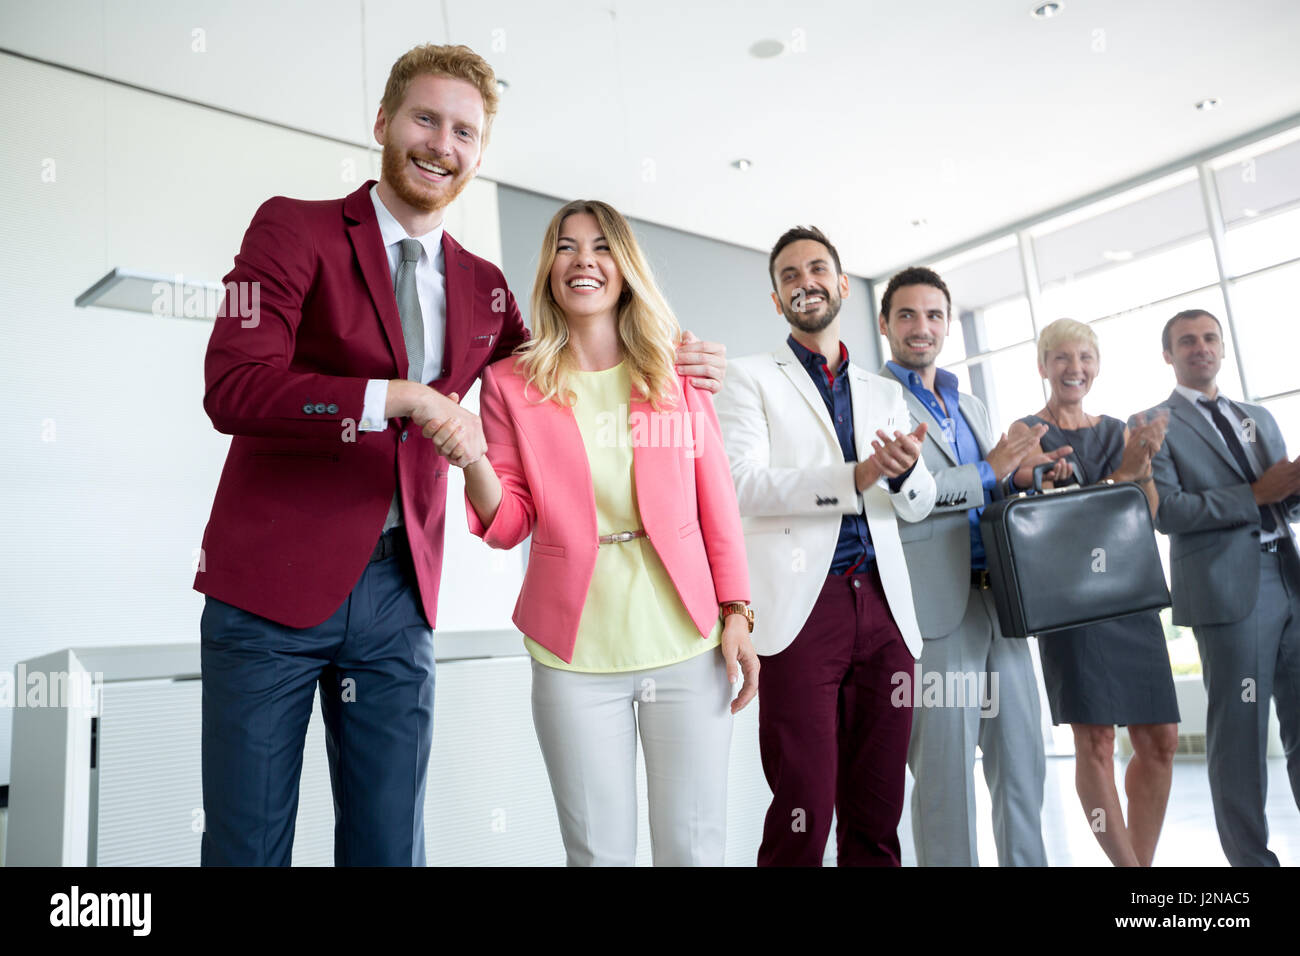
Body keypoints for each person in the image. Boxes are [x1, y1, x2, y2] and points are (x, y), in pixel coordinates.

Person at [194, 44, 727, 866]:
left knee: (389, 844)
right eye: (426, 119)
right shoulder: (289, 227)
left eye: (465, 132)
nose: (443, 144)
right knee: (248, 845)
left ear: (479, 154)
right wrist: (396, 397)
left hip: (399, 596)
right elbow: (234, 385)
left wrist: (681, 355)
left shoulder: (484, 288)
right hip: (269, 591)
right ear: (383, 123)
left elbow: (561, 362)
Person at [460, 199, 757, 866]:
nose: (583, 260)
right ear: (548, 269)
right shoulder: (510, 385)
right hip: (574, 657)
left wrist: (738, 609)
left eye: (600, 246)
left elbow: (717, 500)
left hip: (686, 639)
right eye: (565, 247)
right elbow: (508, 525)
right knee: (597, 854)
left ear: (624, 268)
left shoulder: (675, 371)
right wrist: (472, 457)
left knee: (694, 847)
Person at [714, 226, 936, 866]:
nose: (804, 281)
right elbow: (741, 486)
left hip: (888, 614)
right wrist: (855, 478)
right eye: (788, 275)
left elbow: (915, 504)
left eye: (817, 269)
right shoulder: (749, 379)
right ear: (777, 300)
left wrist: (898, 472)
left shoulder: (883, 391)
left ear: (842, 285)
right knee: (801, 812)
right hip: (803, 613)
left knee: (877, 815)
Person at [878, 266, 1070, 867]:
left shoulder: (972, 404)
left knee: (1022, 767)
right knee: (944, 780)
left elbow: (992, 489)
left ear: (948, 325)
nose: (921, 327)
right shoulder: (874, 401)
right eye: (907, 314)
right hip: (937, 611)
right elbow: (905, 498)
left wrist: (1030, 475)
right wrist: (990, 468)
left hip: (1001, 604)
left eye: (934, 315)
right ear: (884, 324)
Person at [1135, 309, 1300, 866]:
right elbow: (1170, 513)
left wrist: (1291, 486)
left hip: (1289, 576)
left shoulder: (1257, 416)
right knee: (1241, 738)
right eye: (1187, 341)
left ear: (1223, 349)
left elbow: (1283, 499)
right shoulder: (1151, 423)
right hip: (1230, 592)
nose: (1200, 348)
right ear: (1169, 355)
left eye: (1209, 338)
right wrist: (1256, 493)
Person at [1012, 318, 1180, 867]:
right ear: (1042, 367)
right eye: (1060, 357)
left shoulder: (1118, 430)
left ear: (1097, 366)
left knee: (1161, 739)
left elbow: (1149, 515)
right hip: (1072, 605)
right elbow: (1056, 527)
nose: (1073, 368)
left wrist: (1140, 470)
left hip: (1129, 599)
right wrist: (1120, 479)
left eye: (1084, 357)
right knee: (1097, 742)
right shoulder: (1027, 434)